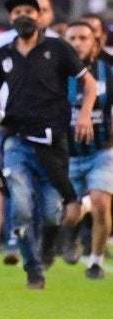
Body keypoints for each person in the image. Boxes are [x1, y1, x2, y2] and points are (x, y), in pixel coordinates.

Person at [0, 0, 95, 289]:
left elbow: (88, 83)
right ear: (11, 19)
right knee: (21, 206)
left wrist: (85, 115)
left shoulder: (58, 48)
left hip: (52, 141)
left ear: (39, 16)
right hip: (17, 139)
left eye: (28, 11)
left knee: (50, 211)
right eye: (17, 12)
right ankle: (32, 267)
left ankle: (47, 250)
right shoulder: (3, 55)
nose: (23, 16)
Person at [63, 22, 113, 280]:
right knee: (68, 215)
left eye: (83, 37)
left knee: (101, 203)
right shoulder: (57, 73)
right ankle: (71, 233)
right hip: (68, 154)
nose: (78, 42)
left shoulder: (109, 71)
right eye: (72, 38)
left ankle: (95, 261)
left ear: (95, 42)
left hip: (102, 150)